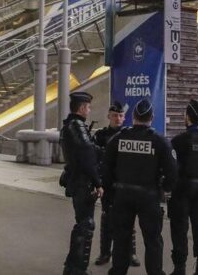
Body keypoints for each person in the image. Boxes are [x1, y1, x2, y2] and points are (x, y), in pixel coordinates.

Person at [103, 98, 177, 275]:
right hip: (149, 197)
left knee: (121, 238)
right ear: (151, 117)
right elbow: (173, 173)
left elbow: (106, 168)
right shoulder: (160, 141)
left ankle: (118, 271)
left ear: (133, 117)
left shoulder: (118, 138)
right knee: (152, 240)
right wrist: (164, 188)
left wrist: (109, 195)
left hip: (122, 195)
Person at [168, 100, 198, 275]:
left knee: (179, 228)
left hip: (182, 188)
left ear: (188, 117)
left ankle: (179, 268)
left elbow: (170, 164)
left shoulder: (180, 140)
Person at [60, 91, 103, 275]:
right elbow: (87, 157)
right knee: (86, 225)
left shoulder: (69, 125)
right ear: (82, 107)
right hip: (82, 182)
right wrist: (98, 182)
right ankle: (78, 269)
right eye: (88, 107)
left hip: (77, 180)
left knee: (82, 224)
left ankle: (72, 266)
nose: (89, 110)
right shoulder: (77, 126)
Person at [93, 101, 140, 267]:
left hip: (125, 182)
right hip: (108, 182)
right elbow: (95, 159)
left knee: (129, 219)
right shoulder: (100, 135)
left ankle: (131, 253)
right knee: (106, 219)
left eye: (120, 116)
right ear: (108, 116)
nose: (118, 119)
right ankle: (105, 253)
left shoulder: (130, 135)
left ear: (124, 117)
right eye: (114, 116)